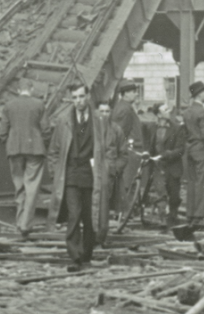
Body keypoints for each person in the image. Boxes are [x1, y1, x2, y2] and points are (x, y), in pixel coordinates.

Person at [47, 82, 112, 272]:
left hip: (92, 175)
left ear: (88, 96)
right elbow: (54, 151)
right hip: (71, 175)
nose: (78, 101)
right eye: (74, 97)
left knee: (90, 217)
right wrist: (56, 173)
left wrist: (105, 170)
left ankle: (86, 256)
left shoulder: (99, 120)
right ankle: (75, 257)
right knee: (74, 215)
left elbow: (109, 148)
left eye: (81, 97)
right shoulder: (63, 121)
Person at [0, 82, 46, 238]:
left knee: (19, 187)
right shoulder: (39, 104)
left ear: (18, 90)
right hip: (35, 150)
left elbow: (2, 132)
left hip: (15, 150)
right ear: (31, 89)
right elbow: (46, 128)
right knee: (31, 187)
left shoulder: (9, 105)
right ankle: (26, 225)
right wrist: (40, 141)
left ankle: (19, 223)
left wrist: (10, 143)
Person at [182, 81, 204, 226]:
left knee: (192, 182)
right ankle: (200, 215)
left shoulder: (187, 111)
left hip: (190, 149)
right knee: (203, 182)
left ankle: (190, 213)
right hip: (203, 149)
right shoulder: (202, 111)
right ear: (200, 94)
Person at [111, 80, 145, 217]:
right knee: (127, 183)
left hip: (131, 150)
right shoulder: (125, 109)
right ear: (125, 94)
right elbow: (120, 133)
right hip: (130, 151)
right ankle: (124, 213)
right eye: (133, 92)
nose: (136, 94)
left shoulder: (124, 107)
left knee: (129, 183)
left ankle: (126, 213)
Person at [97, 100, 128, 242]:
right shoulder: (90, 129)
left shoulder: (116, 130)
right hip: (92, 172)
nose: (104, 114)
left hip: (109, 174)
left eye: (107, 111)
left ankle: (102, 233)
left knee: (105, 204)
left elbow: (123, 153)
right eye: (101, 111)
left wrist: (115, 169)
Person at [151, 107, 185, 227]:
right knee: (161, 193)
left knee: (174, 195)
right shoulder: (152, 127)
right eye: (164, 111)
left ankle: (173, 215)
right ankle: (162, 218)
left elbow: (181, 149)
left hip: (173, 166)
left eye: (169, 112)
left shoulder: (177, 128)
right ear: (159, 114)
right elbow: (149, 146)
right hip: (158, 166)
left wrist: (168, 154)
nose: (167, 114)